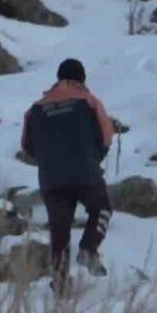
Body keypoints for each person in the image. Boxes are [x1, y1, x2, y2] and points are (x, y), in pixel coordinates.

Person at [20, 58, 115, 291]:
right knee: (102, 209)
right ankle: (88, 249)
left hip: (52, 178)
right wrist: (94, 157)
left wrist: (49, 160)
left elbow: (26, 146)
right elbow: (106, 136)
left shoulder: (36, 108)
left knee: (59, 232)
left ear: (58, 77)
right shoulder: (89, 102)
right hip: (85, 172)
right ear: (81, 78)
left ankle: (61, 282)